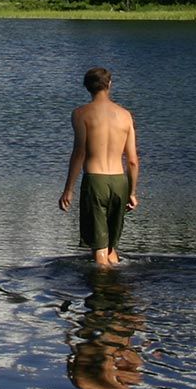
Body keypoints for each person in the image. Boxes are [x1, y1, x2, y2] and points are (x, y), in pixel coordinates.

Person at [58, 67, 138, 267]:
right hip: (120, 182)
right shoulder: (125, 115)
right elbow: (133, 160)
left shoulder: (80, 114)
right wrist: (132, 192)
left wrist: (68, 189)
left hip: (95, 181)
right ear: (109, 85)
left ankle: (103, 291)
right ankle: (116, 292)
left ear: (87, 87)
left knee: (99, 249)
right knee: (111, 247)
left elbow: (79, 153)